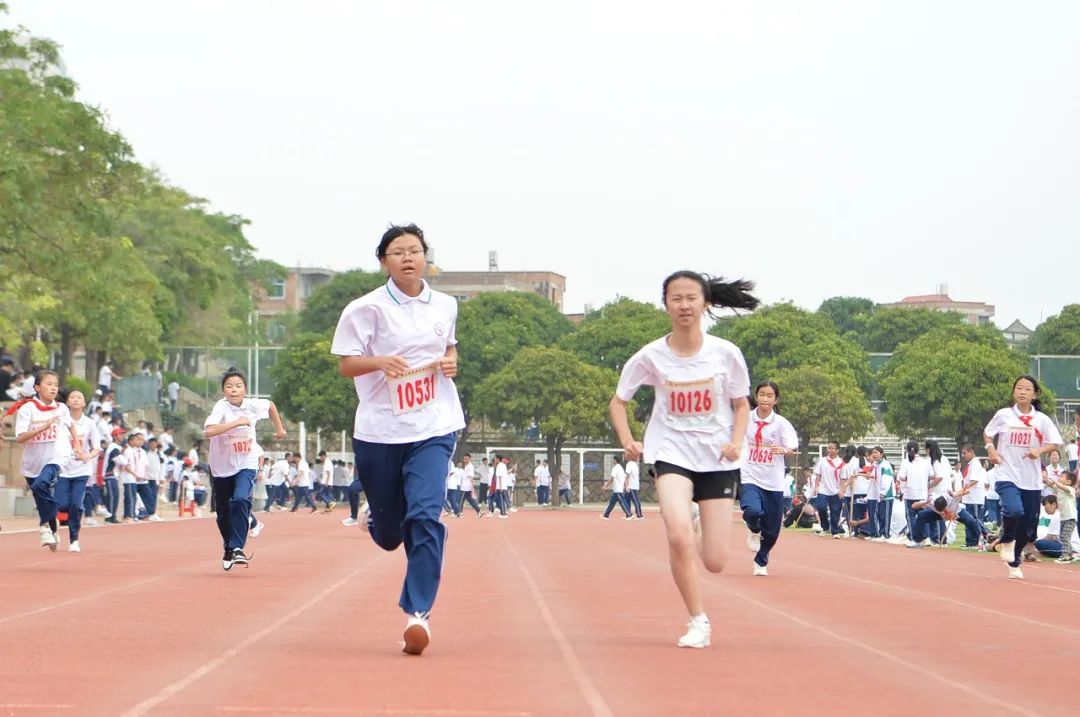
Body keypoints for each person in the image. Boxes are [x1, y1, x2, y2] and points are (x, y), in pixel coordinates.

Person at [331, 223, 465, 656]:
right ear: (384, 261)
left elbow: (450, 347)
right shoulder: (364, 308)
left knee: (426, 517)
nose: (408, 257)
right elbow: (347, 365)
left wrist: (450, 362)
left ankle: (418, 614)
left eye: (415, 250)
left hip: (434, 424)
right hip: (379, 430)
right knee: (390, 536)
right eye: (398, 252)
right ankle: (376, 513)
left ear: (426, 256)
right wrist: (378, 362)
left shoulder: (445, 304)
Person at [609, 270, 757, 649]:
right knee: (677, 538)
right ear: (666, 305)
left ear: (705, 302)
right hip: (670, 452)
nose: (684, 305)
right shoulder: (651, 356)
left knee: (716, 561)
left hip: (717, 459)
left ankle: (697, 523)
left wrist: (736, 443)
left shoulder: (726, 353)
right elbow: (619, 400)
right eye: (676, 298)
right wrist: (629, 440)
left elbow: (742, 405)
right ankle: (698, 620)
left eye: (692, 297)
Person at [204, 368, 286, 570]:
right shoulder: (221, 408)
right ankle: (228, 549)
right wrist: (235, 423)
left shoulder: (253, 405)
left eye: (238, 386)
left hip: (246, 463)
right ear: (224, 390)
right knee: (223, 513)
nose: (234, 390)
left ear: (245, 389)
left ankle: (238, 547)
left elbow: (271, 406)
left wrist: (279, 429)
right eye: (229, 386)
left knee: (240, 499)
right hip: (222, 467)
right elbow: (210, 431)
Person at [984, 375, 1063, 579]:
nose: (1022, 392)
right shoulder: (1004, 415)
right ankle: (1007, 540)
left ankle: (1015, 560)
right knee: (1013, 509)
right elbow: (987, 433)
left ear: (1034, 393)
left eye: (1027, 389)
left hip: (1032, 479)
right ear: (1013, 392)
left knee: (1028, 523)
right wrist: (991, 450)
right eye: (1019, 388)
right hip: (1006, 473)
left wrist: (1040, 450)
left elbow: (1055, 443)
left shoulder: (1042, 420)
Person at [10, 370, 81, 551]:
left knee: (41, 485)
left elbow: (71, 426)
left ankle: (44, 528)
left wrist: (77, 446)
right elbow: (20, 438)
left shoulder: (62, 408)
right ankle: (52, 526)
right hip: (33, 461)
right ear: (37, 387)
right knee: (41, 497)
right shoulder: (28, 409)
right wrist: (44, 426)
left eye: (56, 385)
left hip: (57, 456)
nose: (53, 388)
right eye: (49, 384)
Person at [739, 381, 798, 576]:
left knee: (773, 529)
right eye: (762, 395)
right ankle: (754, 529)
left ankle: (761, 559)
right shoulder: (744, 418)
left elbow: (791, 447)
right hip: (749, 476)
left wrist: (783, 450)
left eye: (770, 395)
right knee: (752, 510)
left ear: (776, 399)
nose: (765, 399)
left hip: (773, 481)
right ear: (756, 397)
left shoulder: (781, 424)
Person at [55, 390, 102, 552]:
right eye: (72, 397)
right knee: (61, 504)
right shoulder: (60, 422)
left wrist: (87, 455)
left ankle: (74, 539)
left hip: (81, 471)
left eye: (79, 397)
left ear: (83, 403)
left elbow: (97, 448)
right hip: (63, 469)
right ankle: (54, 526)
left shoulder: (89, 423)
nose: (75, 400)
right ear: (67, 402)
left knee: (76, 504)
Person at [811, 442, 848, 537]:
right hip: (823, 489)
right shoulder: (822, 461)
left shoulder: (841, 463)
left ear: (837, 450)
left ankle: (835, 531)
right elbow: (818, 475)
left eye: (832, 448)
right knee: (821, 507)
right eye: (829, 448)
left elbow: (843, 478)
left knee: (835, 511)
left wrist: (842, 490)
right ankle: (825, 527)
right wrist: (815, 487)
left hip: (836, 490)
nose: (830, 450)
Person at [1043, 470, 1077, 563]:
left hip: (1070, 517)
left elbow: (1061, 486)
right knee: (1063, 536)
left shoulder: (1070, 489)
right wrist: (1045, 480)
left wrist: (1055, 482)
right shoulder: (1059, 489)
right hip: (1064, 517)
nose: (1059, 477)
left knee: (1065, 536)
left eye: (1062, 477)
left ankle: (1065, 555)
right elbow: (1051, 485)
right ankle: (1069, 554)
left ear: (1068, 482)